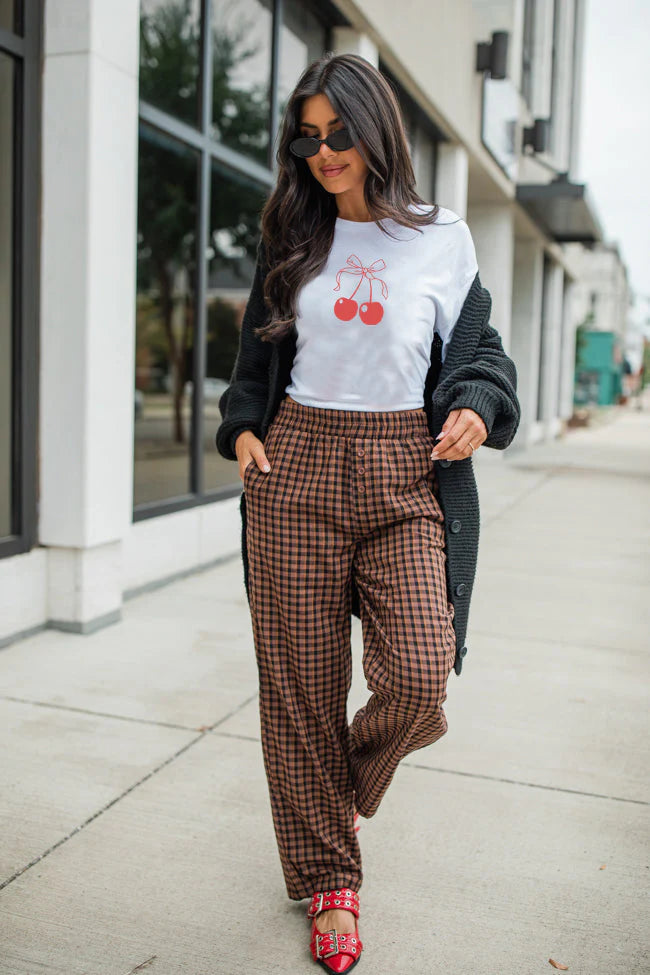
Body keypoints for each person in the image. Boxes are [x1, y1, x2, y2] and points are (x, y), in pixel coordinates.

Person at [215, 52, 521, 973]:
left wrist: (473, 401)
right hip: (296, 464)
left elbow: (482, 356)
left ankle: (334, 787)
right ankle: (329, 879)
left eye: (338, 132)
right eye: (306, 137)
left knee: (421, 675)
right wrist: (241, 434)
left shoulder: (443, 237)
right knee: (301, 685)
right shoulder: (293, 234)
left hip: (403, 470)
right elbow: (252, 363)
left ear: (374, 128)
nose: (323, 151)